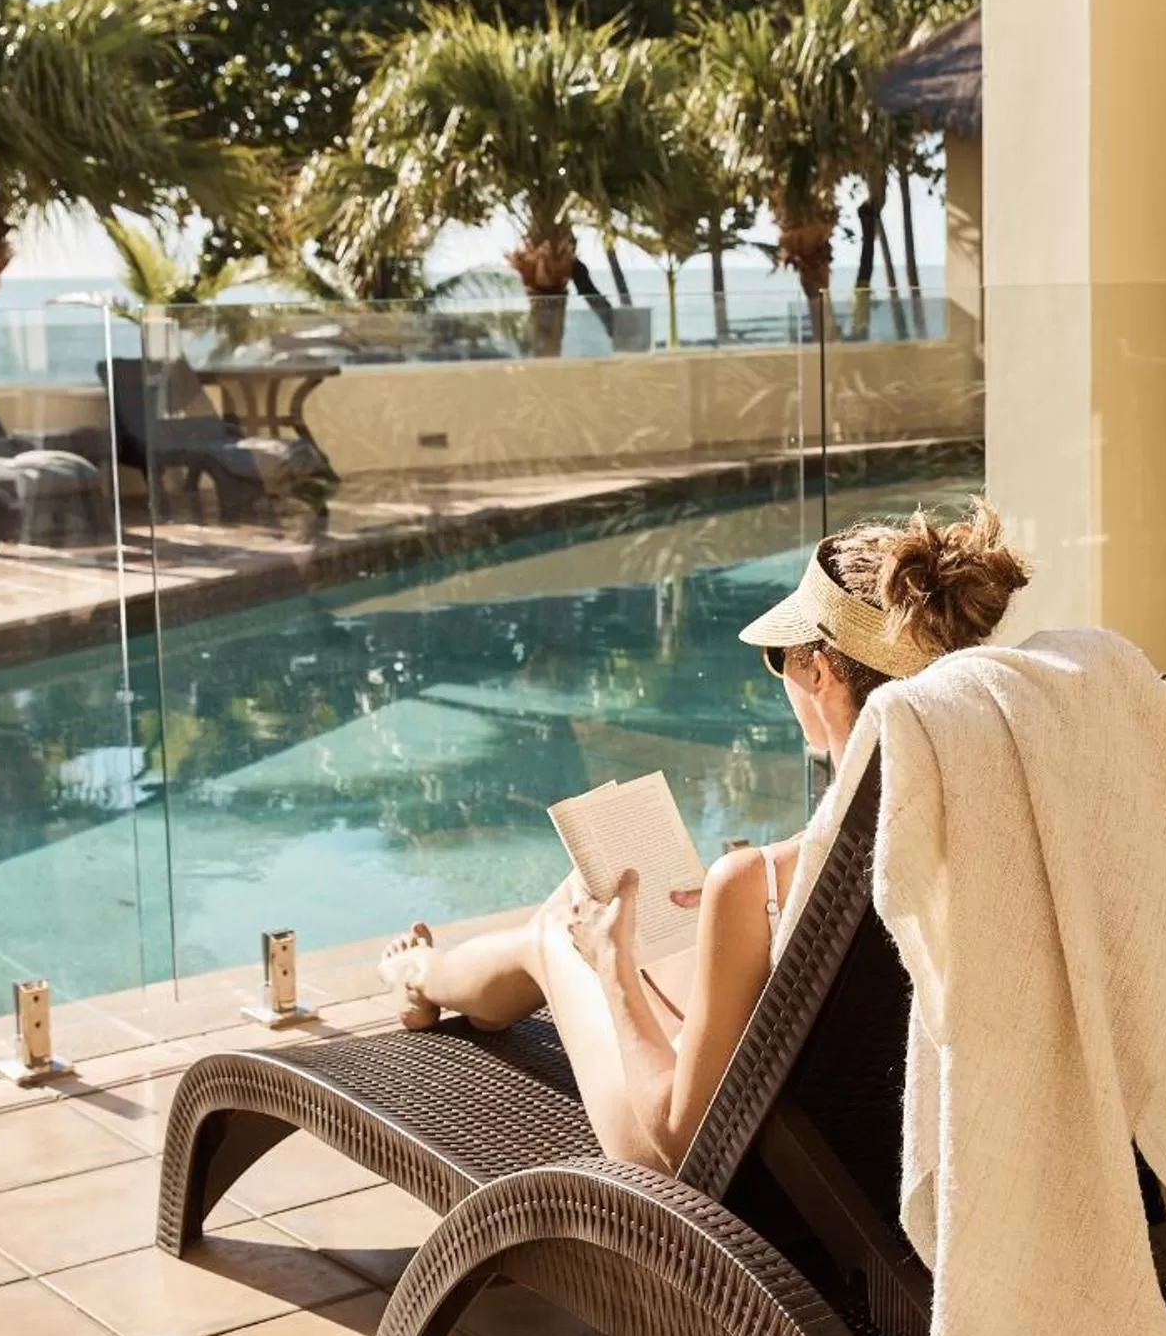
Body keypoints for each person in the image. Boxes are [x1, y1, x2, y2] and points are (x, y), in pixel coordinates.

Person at [381, 502, 1031, 1171]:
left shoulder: (761, 881)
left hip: (742, 1179)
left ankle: (425, 976)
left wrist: (612, 973)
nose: (783, 677)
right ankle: (451, 987)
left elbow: (680, 1138)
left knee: (563, 926)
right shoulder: (999, 823)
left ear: (820, 672)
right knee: (602, 905)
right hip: (884, 1146)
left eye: (781, 658)